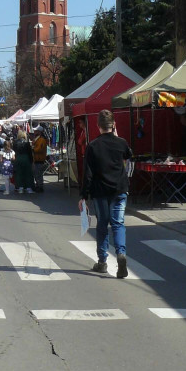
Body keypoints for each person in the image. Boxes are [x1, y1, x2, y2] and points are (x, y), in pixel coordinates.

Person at [80, 109, 133, 279]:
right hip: (119, 189)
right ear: (114, 125)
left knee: (102, 224)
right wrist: (117, 135)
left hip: (100, 191)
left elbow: (87, 174)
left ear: (98, 126)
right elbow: (129, 154)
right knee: (118, 223)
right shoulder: (121, 143)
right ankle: (121, 254)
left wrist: (83, 196)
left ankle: (102, 262)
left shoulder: (93, 146)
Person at [32, 126, 49, 192]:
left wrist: (33, 148)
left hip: (39, 159)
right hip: (37, 158)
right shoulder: (37, 139)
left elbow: (39, 149)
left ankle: (40, 187)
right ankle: (38, 186)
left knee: (38, 174)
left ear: (39, 132)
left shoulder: (41, 140)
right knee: (37, 173)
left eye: (36, 131)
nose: (34, 132)